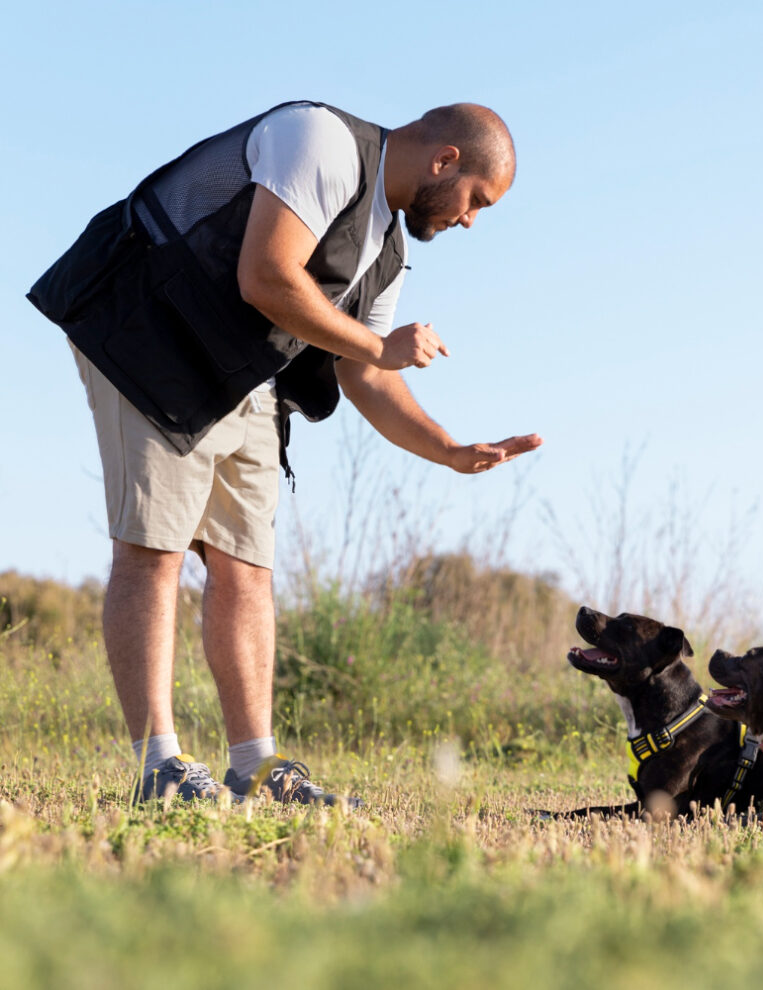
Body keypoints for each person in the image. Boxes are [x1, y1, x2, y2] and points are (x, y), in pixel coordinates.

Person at [28, 100, 541, 805]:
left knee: (246, 566)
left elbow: (365, 373)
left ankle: (257, 769)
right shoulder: (322, 142)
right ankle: (161, 767)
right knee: (155, 549)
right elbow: (267, 275)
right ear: (445, 160)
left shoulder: (388, 252)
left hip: (240, 369)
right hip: (147, 331)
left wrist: (448, 450)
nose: (470, 219)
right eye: (476, 200)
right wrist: (373, 344)